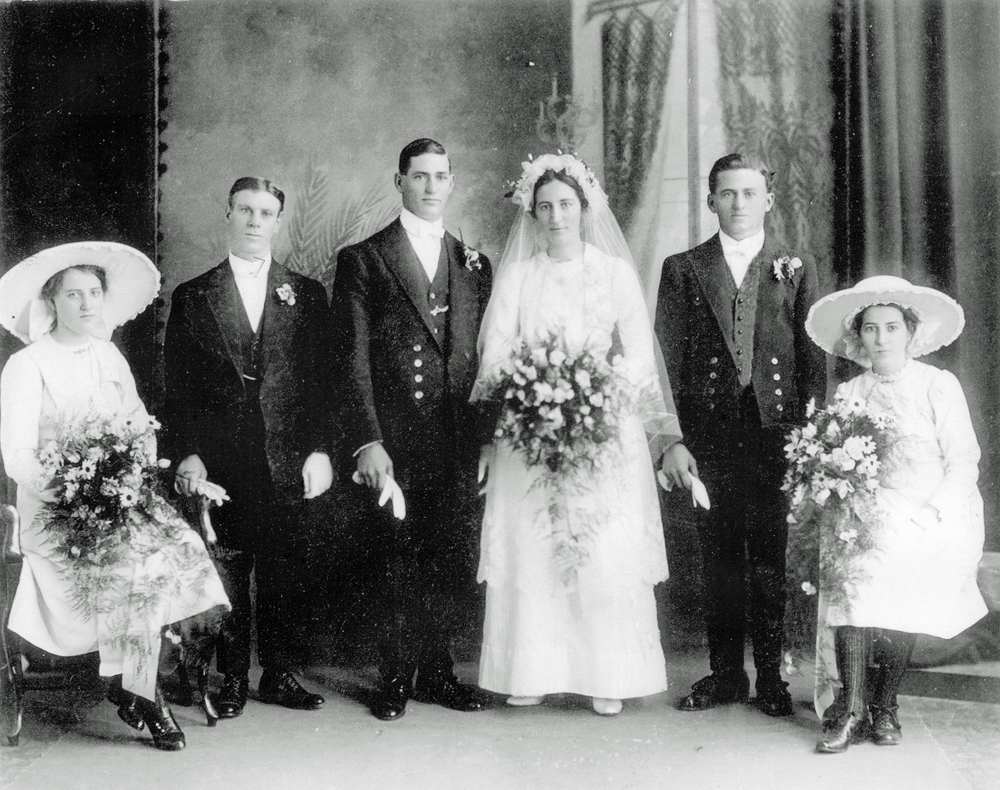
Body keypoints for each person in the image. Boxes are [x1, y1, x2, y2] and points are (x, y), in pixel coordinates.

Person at [470, 154, 680, 716]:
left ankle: (605, 673)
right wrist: (526, 395)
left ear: (585, 210)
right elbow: (494, 351)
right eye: (545, 207)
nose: (556, 216)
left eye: (566, 205)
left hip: (603, 431)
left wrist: (599, 396)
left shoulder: (613, 273)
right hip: (529, 433)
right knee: (534, 545)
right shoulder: (518, 275)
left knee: (600, 547)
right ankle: (531, 668)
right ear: (532, 214)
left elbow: (638, 354)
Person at [0, 241, 230, 751]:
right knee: (133, 568)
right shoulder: (27, 365)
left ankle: (135, 680)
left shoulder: (108, 355)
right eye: (73, 294)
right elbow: (16, 456)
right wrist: (75, 488)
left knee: (186, 554)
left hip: (120, 503)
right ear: (51, 301)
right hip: (57, 514)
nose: (86, 304)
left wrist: (130, 470)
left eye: (94, 293)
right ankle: (144, 696)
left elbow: (139, 424)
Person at [655, 152, 826, 716]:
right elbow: (667, 361)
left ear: (768, 200)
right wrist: (674, 437)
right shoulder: (683, 268)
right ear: (710, 201)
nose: (739, 204)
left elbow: (811, 359)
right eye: (727, 194)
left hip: (776, 433)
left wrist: (810, 436)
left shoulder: (795, 267)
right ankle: (726, 673)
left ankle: (772, 677)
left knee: (769, 559)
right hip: (709, 434)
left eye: (750, 193)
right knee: (718, 557)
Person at [332, 138, 493, 721]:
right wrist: (367, 439)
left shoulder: (475, 262)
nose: (430, 186)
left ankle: (439, 673)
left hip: (456, 438)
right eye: (419, 176)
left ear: (452, 183)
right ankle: (395, 676)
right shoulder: (364, 258)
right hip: (393, 440)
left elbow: (484, 359)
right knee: (394, 557)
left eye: (440, 176)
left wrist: (486, 440)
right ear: (398, 181)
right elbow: (350, 357)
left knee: (449, 555)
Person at [163, 177, 333, 719]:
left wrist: (320, 450)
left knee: (286, 570)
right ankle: (232, 677)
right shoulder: (194, 296)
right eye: (245, 210)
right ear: (228, 215)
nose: (255, 221)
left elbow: (321, 384)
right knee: (230, 570)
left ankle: (279, 674)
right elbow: (177, 388)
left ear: (279, 221)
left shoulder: (306, 294)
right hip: (223, 461)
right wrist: (188, 451)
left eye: (266, 213)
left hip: (288, 457)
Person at [803, 275, 988, 753]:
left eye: (890, 328)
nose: (880, 338)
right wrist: (854, 505)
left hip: (928, 509)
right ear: (857, 336)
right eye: (870, 329)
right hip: (866, 512)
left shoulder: (937, 385)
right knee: (856, 579)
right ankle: (852, 709)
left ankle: (885, 704)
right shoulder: (850, 391)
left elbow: (963, 458)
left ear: (909, 333)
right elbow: (833, 460)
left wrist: (932, 512)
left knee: (902, 579)